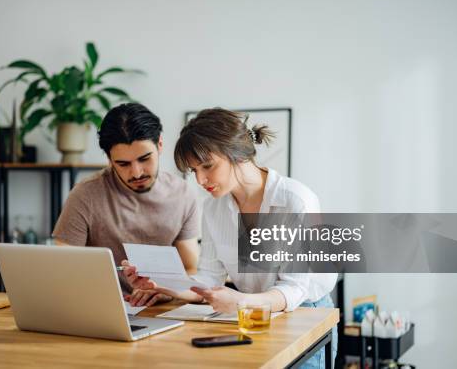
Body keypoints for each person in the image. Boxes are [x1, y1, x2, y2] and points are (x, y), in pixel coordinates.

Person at [122, 107, 337, 368]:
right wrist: (163, 284)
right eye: (193, 171)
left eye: (207, 166)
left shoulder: (296, 201)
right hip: (247, 315)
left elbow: (294, 289)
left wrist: (241, 302)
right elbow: (209, 277)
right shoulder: (214, 208)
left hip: (305, 314)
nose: (200, 179)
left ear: (235, 152)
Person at [53, 103, 199, 305]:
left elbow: (190, 269)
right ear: (109, 159)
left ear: (160, 145)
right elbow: (62, 271)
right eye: (123, 164)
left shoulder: (182, 194)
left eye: (145, 158)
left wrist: (166, 292)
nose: (137, 172)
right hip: (103, 307)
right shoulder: (85, 195)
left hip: (164, 308)